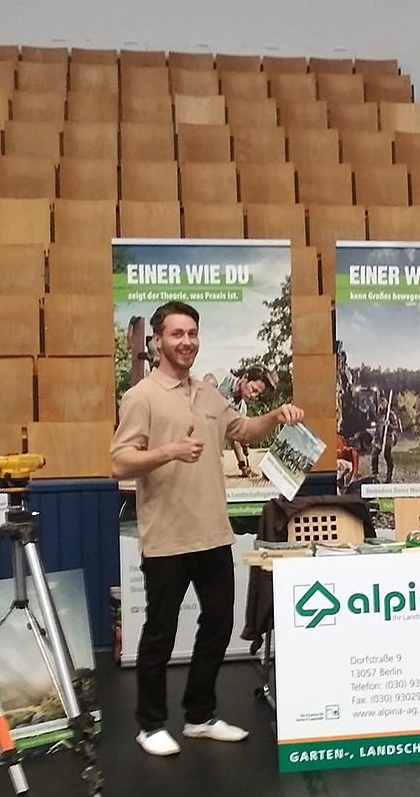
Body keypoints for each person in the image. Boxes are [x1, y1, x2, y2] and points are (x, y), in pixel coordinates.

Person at [111, 301, 304, 756]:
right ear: (157, 341)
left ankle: (199, 716)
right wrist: (169, 451)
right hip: (167, 537)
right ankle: (150, 724)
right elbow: (120, 460)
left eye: (193, 333)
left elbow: (246, 430)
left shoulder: (211, 395)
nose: (187, 341)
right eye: (177, 333)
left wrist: (275, 418)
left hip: (214, 533)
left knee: (218, 624)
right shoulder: (141, 397)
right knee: (159, 632)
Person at [205, 364, 278, 478]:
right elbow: (205, 389)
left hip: (210, 441)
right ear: (245, 377)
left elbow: (237, 439)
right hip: (193, 427)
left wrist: (243, 466)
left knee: (219, 463)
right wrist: (224, 405)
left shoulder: (241, 408)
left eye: (257, 394)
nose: (254, 395)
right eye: (253, 389)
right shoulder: (223, 375)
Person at [370, 390, 401, 483]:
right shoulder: (379, 414)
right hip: (378, 439)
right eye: (381, 404)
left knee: (387, 457)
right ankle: (374, 475)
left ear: (387, 404)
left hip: (387, 440)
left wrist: (389, 425)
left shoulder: (390, 415)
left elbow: (396, 428)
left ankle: (389, 477)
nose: (382, 405)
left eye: (384, 404)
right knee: (373, 456)